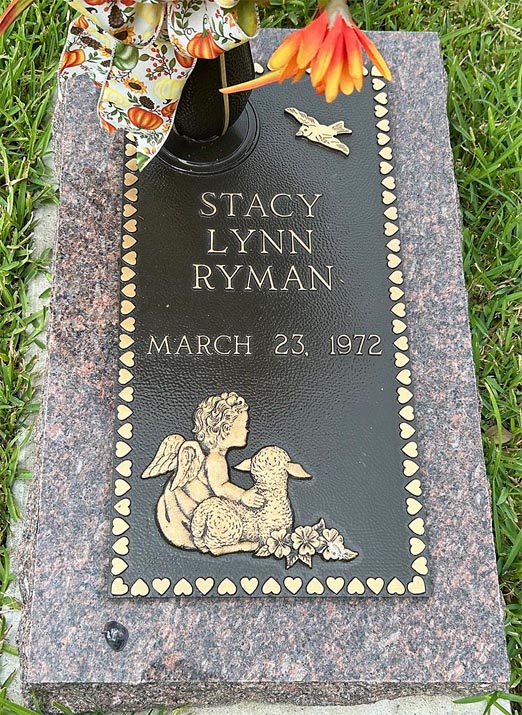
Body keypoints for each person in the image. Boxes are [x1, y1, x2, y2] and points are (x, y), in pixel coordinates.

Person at [148, 392, 264, 549]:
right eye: (244, 426)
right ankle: (227, 547)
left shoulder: (211, 455)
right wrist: (243, 495)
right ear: (225, 429)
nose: (247, 431)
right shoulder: (216, 460)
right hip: (196, 518)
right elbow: (221, 487)